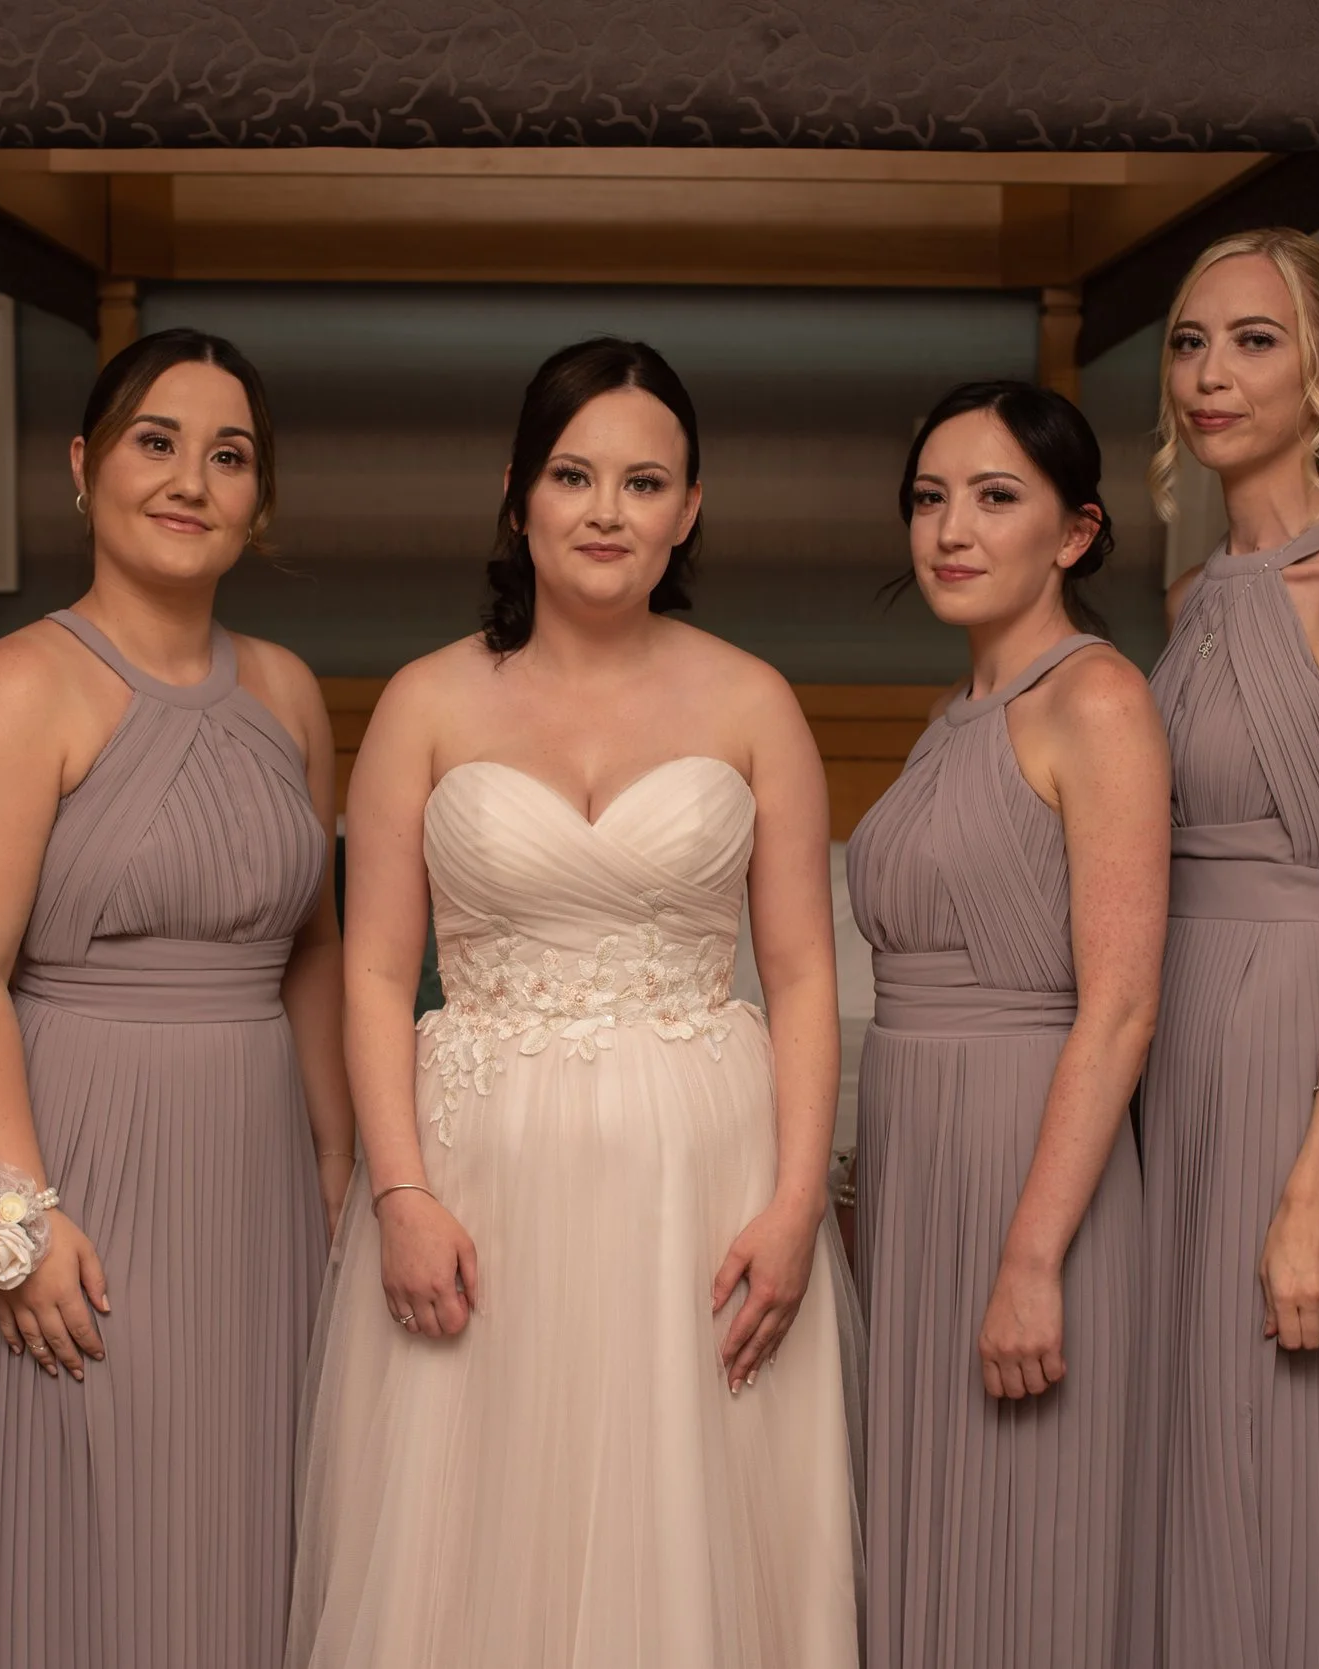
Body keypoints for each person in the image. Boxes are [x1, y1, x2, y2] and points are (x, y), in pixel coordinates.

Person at [287, 337, 861, 1669]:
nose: (607, 510)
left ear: (690, 509)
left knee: (691, 1508)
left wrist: (795, 1205)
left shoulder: (756, 702)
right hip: (483, 1169)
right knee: (473, 1515)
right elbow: (373, 969)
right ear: (518, 495)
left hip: (704, 1174)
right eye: (574, 474)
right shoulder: (426, 703)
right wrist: (400, 1192)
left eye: (644, 481)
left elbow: (803, 972)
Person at [0, 328, 353, 1668]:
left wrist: (335, 1165)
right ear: (85, 464)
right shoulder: (16, 685)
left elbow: (315, 949)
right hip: (75, 1151)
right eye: (157, 441)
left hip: (256, 1164)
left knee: (252, 1517)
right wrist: (14, 1226)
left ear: (257, 499)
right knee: (76, 1510)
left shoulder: (285, 691)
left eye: (230, 456)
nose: (192, 480)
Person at [1129, 228, 1319, 1669]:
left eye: (1253, 340)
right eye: (1191, 340)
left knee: (1263, 1428)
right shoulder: (1190, 608)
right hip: (1168, 1032)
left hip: (1281, 1043)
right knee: (1173, 1428)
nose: (1211, 372)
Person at [849, 381, 1167, 1668]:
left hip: (1031, 1172)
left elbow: (1124, 1005)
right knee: (916, 1532)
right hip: (917, 1171)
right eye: (930, 499)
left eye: (994, 498)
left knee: (1026, 1548)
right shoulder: (948, 722)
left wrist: (1033, 1257)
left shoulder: (1094, 701)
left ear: (1076, 532)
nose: (950, 530)